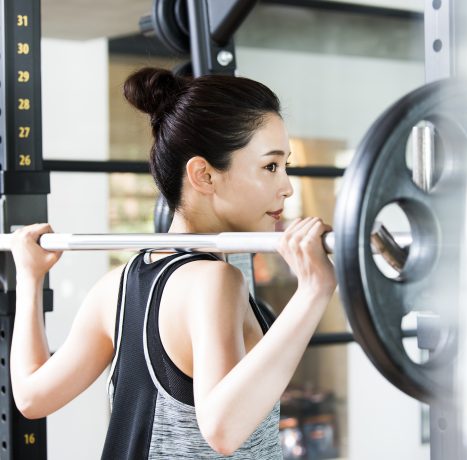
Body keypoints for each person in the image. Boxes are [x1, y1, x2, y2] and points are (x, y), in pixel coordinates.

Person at [9, 67, 337, 459]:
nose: (287, 186)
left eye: (286, 167)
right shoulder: (215, 281)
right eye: (270, 166)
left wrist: (29, 278)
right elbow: (224, 430)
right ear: (204, 175)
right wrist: (314, 291)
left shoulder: (119, 284)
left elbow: (31, 396)